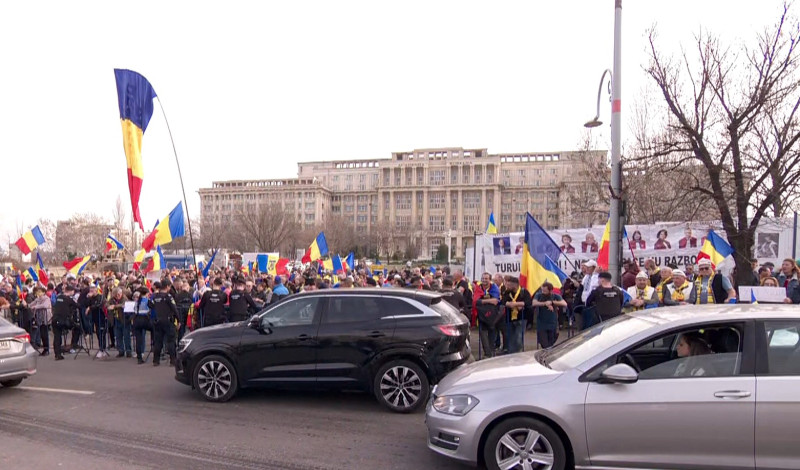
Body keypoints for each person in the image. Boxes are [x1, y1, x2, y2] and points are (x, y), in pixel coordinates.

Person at [148, 281, 178, 367]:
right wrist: (179, 320)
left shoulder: (154, 296)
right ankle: (173, 360)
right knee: (171, 341)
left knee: (158, 341)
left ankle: (156, 361)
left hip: (158, 321)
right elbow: (174, 309)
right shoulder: (168, 297)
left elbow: (149, 304)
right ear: (167, 286)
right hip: (168, 321)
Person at [473, 272, 501, 358]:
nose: (484, 280)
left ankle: (491, 352)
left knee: (492, 334)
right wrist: (488, 300)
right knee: (483, 335)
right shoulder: (478, 288)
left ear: (490, 280)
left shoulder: (494, 288)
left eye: (486, 279)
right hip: (482, 316)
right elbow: (475, 301)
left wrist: (482, 301)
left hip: (492, 316)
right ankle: (487, 354)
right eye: (483, 278)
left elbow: (496, 301)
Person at [501, 276, 532, 354]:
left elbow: (528, 302)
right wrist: (511, 304)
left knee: (518, 337)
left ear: (515, 285)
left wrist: (515, 303)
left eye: (509, 285)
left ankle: (518, 353)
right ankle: (511, 354)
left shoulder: (524, 292)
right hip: (510, 318)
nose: (507, 287)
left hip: (521, 318)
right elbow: (503, 302)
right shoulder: (507, 292)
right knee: (510, 338)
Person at [531, 282, 566, 349]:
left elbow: (564, 303)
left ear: (550, 290)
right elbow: (534, 303)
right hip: (542, 323)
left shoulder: (556, 296)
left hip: (553, 323)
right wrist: (545, 303)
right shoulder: (539, 295)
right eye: (542, 290)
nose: (543, 292)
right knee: (544, 343)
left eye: (545, 291)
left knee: (551, 342)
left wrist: (552, 302)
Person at [52, 285, 80, 361]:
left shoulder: (59, 297)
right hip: (63, 321)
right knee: (77, 328)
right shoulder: (69, 299)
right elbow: (78, 306)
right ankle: (73, 345)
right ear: (71, 291)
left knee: (57, 337)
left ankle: (57, 354)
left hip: (55, 319)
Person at [108, 287, 132, 358]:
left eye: (119, 294)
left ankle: (128, 351)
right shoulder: (112, 299)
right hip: (115, 319)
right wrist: (109, 306)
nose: (118, 296)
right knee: (118, 337)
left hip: (124, 320)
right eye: (116, 295)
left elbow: (124, 304)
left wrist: (114, 306)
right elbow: (107, 304)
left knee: (126, 336)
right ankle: (121, 351)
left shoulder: (124, 298)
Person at [28, 286, 52, 356]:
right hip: (39, 318)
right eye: (37, 292)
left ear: (44, 292)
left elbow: (45, 305)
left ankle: (46, 349)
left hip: (46, 318)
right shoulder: (37, 299)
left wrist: (35, 307)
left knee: (45, 334)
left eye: (40, 292)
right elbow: (31, 304)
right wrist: (27, 305)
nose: (38, 293)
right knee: (42, 334)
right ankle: (45, 348)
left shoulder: (46, 299)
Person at [132, 287, 152, 365]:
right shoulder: (147, 301)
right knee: (155, 331)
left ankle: (139, 358)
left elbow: (134, 310)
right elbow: (153, 309)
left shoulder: (137, 301)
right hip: (145, 320)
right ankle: (154, 349)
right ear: (146, 293)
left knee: (138, 340)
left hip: (137, 320)